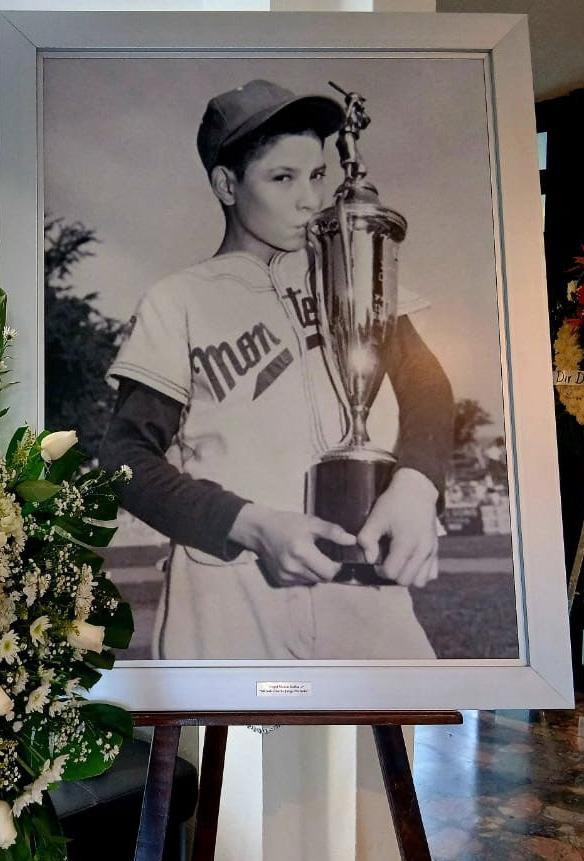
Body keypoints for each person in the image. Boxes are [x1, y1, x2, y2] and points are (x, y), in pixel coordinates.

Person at [100, 79, 454, 660]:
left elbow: (428, 389)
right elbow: (125, 460)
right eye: (282, 178)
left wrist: (418, 485)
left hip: (359, 571)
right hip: (229, 585)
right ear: (227, 185)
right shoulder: (178, 299)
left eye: (317, 175)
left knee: (402, 706)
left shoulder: (352, 267)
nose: (310, 200)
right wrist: (247, 523)